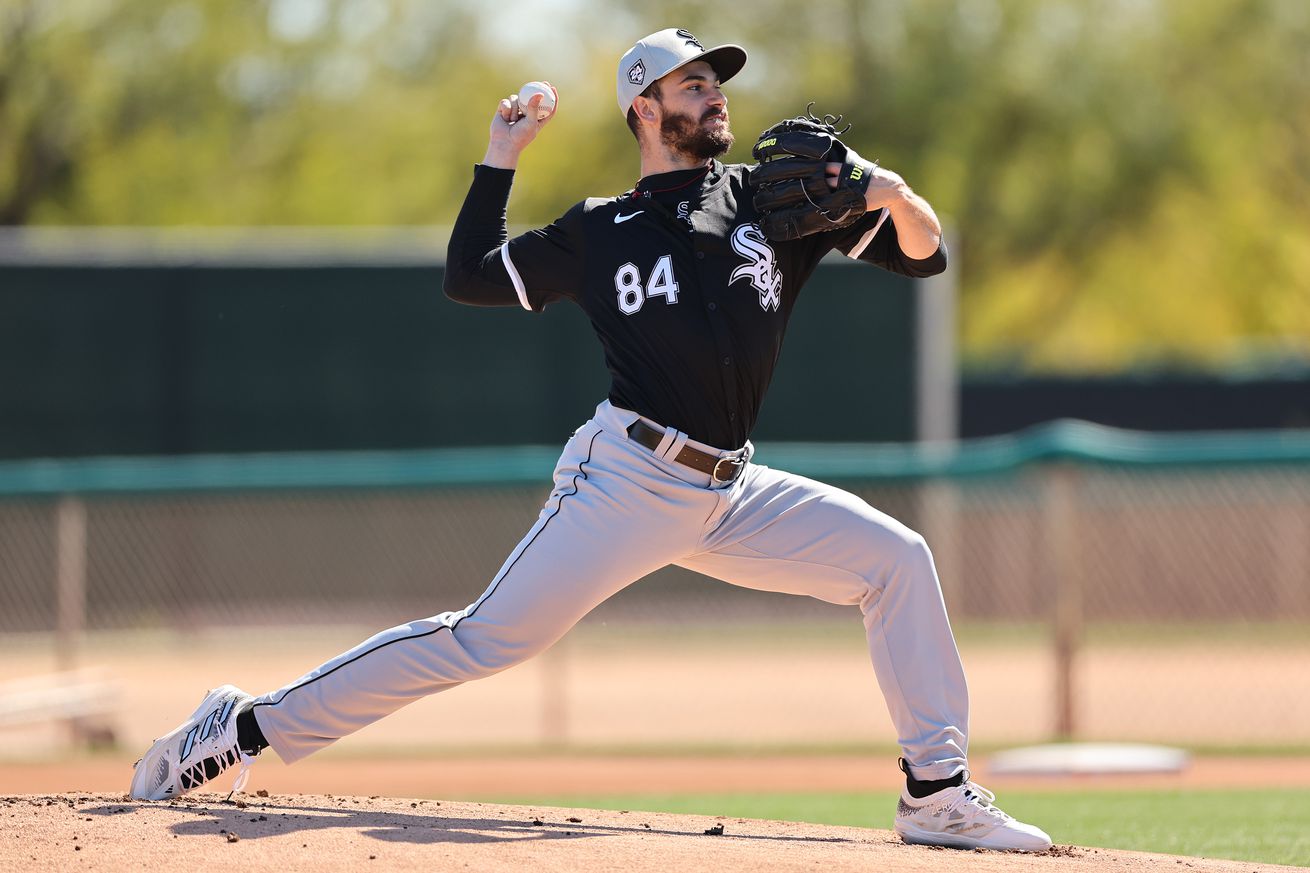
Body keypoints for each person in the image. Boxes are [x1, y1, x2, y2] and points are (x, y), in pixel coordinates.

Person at [129, 27, 1052, 853]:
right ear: (644, 110)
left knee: (896, 558)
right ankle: (240, 727)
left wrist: (884, 187)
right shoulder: (601, 230)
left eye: (717, 82)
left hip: (732, 490)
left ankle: (934, 792)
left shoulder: (772, 205)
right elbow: (468, 276)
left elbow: (925, 253)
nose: (715, 96)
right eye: (692, 86)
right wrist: (500, 154)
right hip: (628, 480)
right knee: (481, 640)